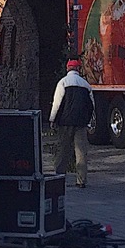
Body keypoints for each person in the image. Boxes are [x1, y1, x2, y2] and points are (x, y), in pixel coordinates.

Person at [50, 58, 94, 188]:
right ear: (78, 69)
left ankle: (59, 178)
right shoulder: (86, 85)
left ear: (67, 68)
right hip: (81, 123)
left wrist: (52, 119)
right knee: (81, 152)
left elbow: (57, 103)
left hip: (65, 122)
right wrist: (90, 122)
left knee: (63, 151)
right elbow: (91, 106)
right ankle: (81, 180)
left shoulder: (63, 82)